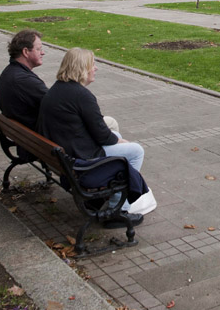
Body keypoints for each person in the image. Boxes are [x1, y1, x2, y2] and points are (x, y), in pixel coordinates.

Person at [38, 48, 151, 225]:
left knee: (117, 135)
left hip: (64, 154)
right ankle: (117, 210)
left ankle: (104, 197)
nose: (95, 68)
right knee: (136, 151)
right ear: (82, 68)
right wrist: (120, 141)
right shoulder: (81, 95)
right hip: (79, 160)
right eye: (93, 65)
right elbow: (101, 134)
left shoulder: (57, 89)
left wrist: (116, 139)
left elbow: (96, 130)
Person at [0, 29, 48, 133]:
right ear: (25, 52)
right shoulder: (24, 80)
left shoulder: (10, 72)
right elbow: (56, 103)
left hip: (24, 136)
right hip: (37, 138)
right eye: (38, 49)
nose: (43, 53)